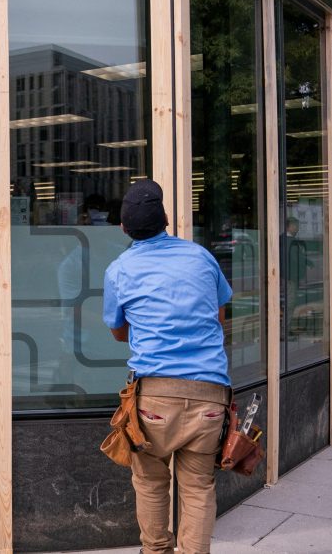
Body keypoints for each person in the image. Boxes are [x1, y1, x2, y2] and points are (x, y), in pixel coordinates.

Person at [103, 179, 232, 554]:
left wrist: (151, 330)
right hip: (210, 395)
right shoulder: (201, 257)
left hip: (153, 399)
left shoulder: (120, 269)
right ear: (167, 221)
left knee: (150, 483)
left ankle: (155, 550)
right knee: (198, 487)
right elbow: (218, 316)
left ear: (124, 229)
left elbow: (117, 333)